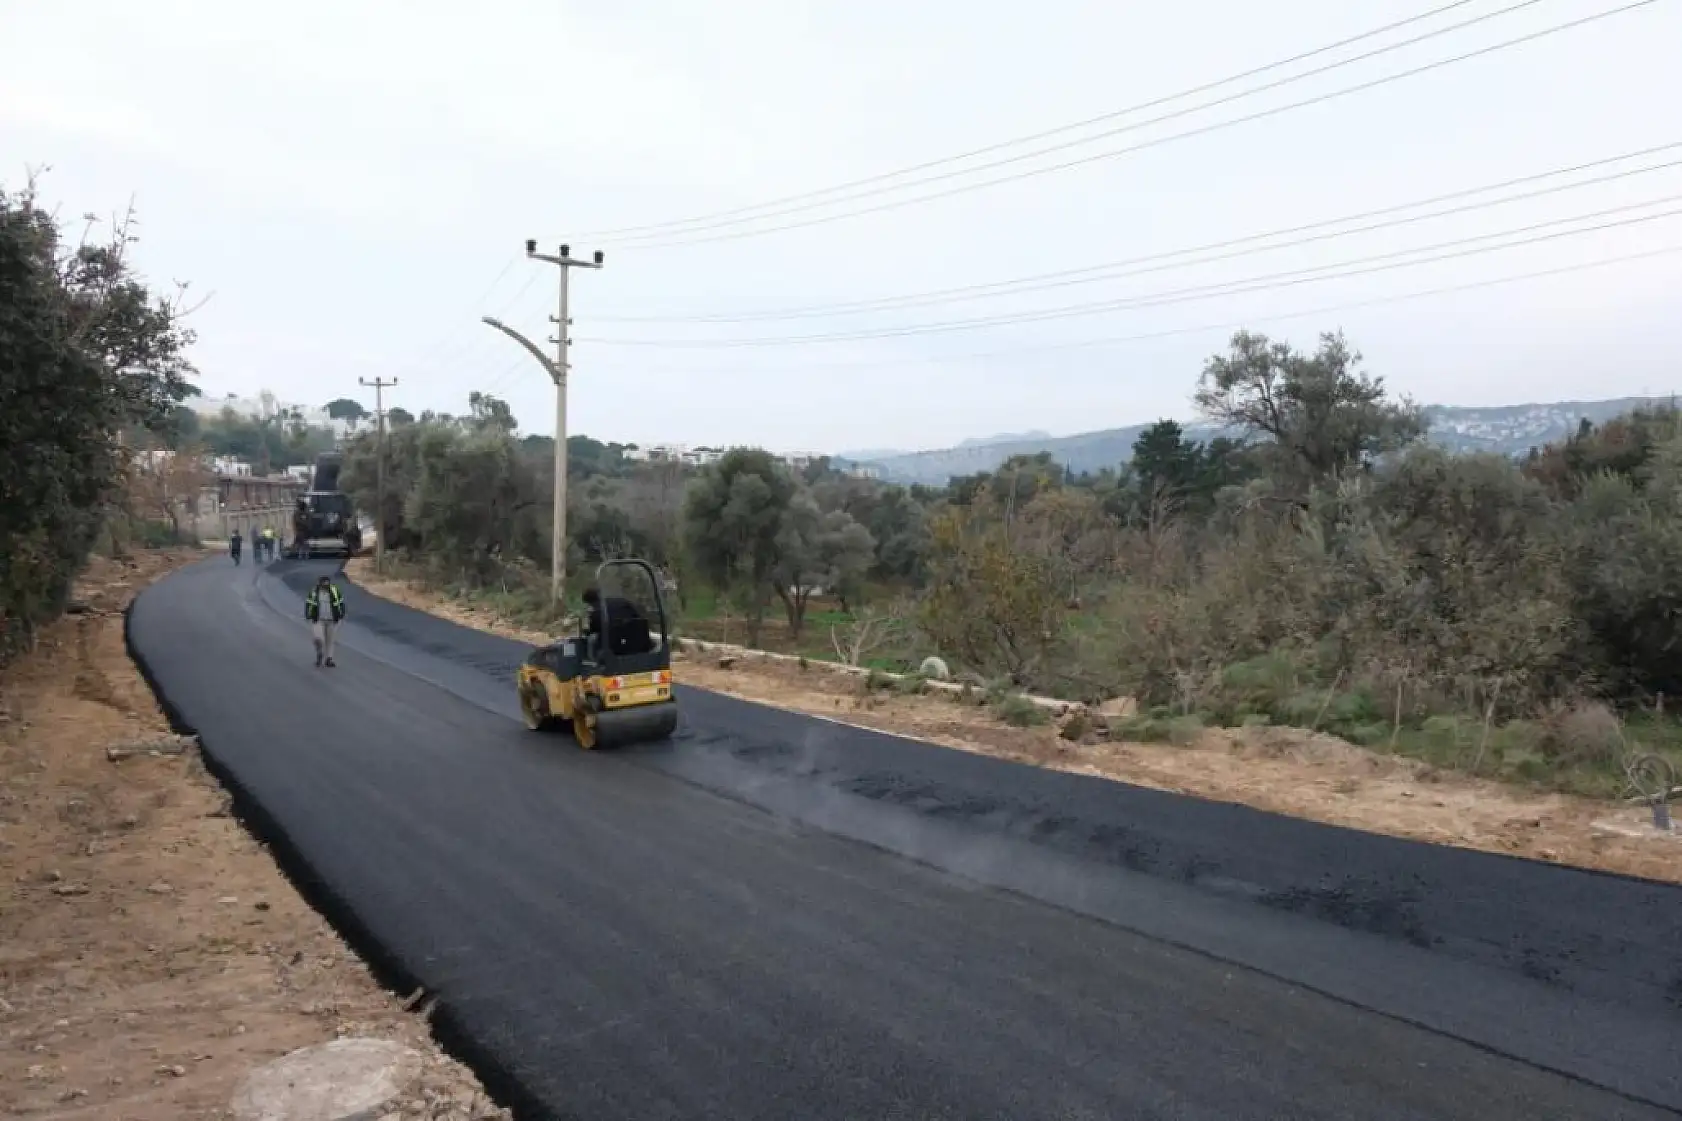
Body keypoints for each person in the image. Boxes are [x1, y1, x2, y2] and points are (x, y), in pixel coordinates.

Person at [581, 586, 649, 655]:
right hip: (638, 646)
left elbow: (593, 631)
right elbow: (638, 618)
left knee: (591, 639)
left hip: (613, 650)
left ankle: (593, 661)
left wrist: (586, 629)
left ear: (589, 602)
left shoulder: (595, 614)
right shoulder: (622, 601)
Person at [304, 573, 346, 667]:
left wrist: (341, 614)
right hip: (318, 619)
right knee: (319, 638)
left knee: (330, 640)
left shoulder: (334, 591)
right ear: (320, 584)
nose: (325, 586)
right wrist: (308, 614)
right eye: (324, 584)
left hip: (332, 619)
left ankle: (329, 659)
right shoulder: (314, 592)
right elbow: (308, 603)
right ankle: (319, 651)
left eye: (327, 584)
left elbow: (340, 602)